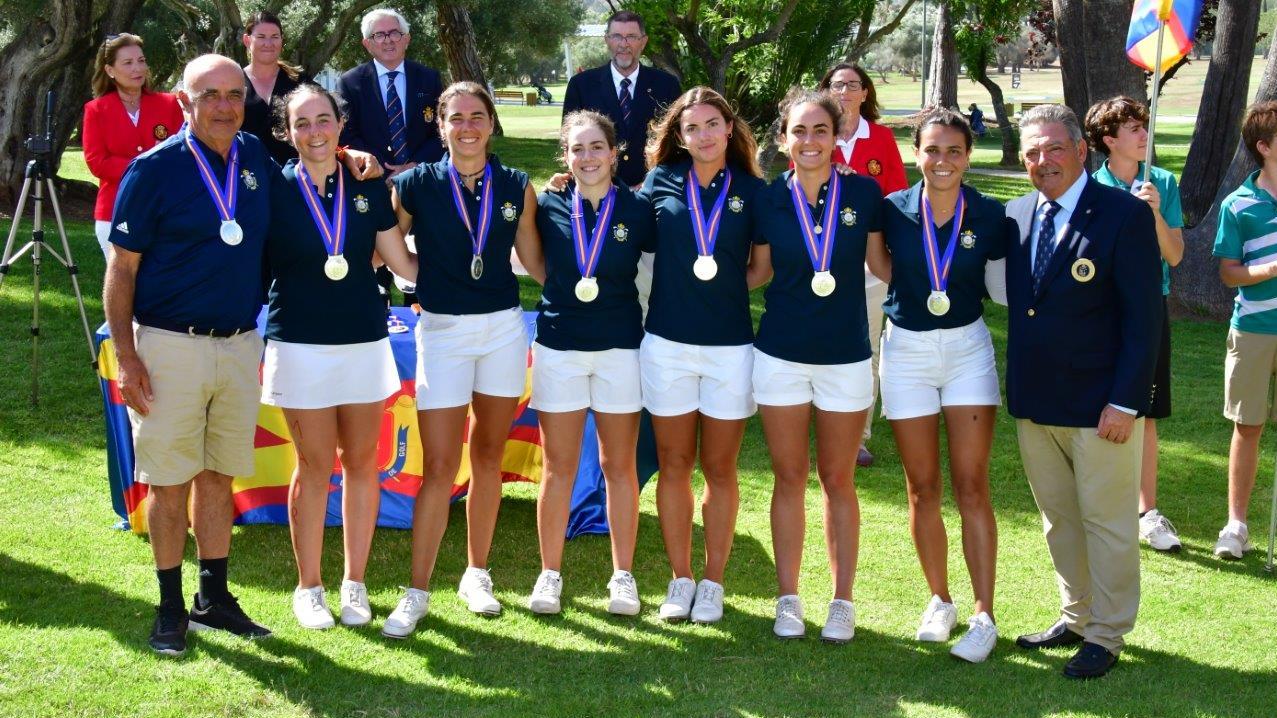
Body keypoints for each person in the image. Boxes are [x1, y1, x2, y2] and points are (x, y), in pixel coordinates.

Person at [102, 54, 277, 657]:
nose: (226, 106)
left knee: (219, 475)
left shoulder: (254, 156)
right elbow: (121, 270)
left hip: (236, 344)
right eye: (210, 96)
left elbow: (308, 184)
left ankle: (214, 597)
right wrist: (127, 358)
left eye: (234, 94)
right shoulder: (152, 171)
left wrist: (353, 160)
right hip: (168, 346)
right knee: (170, 480)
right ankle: (170, 606)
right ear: (183, 101)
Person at [1005, 104, 1161, 679]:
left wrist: (1126, 401)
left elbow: (1145, 319)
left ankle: (1108, 633)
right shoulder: (1017, 215)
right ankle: (1076, 615)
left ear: (1079, 150)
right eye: (1031, 152)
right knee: (1060, 520)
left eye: (1052, 148)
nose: (1042, 160)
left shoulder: (1122, 215)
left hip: (1102, 406)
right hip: (1036, 401)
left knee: (1108, 521)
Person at [382, 82, 543, 636]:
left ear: (491, 124)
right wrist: (416, 276)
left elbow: (534, 259)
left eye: (478, 116)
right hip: (443, 333)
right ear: (441, 124)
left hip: (502, 329)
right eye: (456, 117)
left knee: (490, 457)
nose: (467, 126)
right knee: (440, 467)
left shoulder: (517, 185)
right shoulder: (416, 184)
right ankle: (417, 590)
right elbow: (388, 241)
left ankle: (477, 573)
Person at [263, 85, 416, 630]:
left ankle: (355, 583)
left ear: (339, 124)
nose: (314, 132)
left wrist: (461, 279)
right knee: (313, 465)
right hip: (299, 342)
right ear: (287, 132)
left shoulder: (367, 184)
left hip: (363, 339)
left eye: (323, 120)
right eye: (301, 124)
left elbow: (398, 259)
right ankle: (309, 587)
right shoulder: (271, 187)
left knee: (360, 463)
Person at [868, 108, 1016, 663]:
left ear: (968, 156)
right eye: (932, 150)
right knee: (921, 487)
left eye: (954, 151)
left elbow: (1002, 276)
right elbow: (882, 266)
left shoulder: (990, 212)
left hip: (966, 349)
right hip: (905, 348)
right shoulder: (893, 209)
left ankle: (984, 613)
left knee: (972, 485)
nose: (943, 161)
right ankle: (940, 599)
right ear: (916, 153)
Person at [749, 89, 883, 643]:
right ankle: (788, 599)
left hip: (847, 356)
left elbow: (885, 265)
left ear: (836, 135)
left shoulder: (865, 192)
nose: (809, 141)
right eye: (799, 132)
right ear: (783, 140)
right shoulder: (765, 200)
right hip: (779, 355)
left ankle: (842, 601)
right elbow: (755, 271)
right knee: (789, 477)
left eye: (820, 131)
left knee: (838, 479)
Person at [638, 87, 767, 624]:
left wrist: (726, 294)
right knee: (673, 463)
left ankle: (712, 582)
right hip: (666, 343)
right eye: (693, 128)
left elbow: (762, 267)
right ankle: (680, 578)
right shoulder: (659, 183)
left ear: (730, 129)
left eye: (714, 124)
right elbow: (612, 220)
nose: (705, 135)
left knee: (719, 467)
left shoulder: (754, 191)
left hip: (729, 347)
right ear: (680, 136)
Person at [526, 111, 653, 616]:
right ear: (565, 156)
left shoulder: (639, 210)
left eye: (596, 147)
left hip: (621, 348)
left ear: (614, 151)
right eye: (577, 149)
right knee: (557, 468)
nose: (587, 157)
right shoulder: (550, 203)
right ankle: (549, 574)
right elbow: (537, 264)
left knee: (617, 466)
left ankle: (622, 576)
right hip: (559, 345)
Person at [1084, 96, 1186, 554]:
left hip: (1150, 309)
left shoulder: (1161, 181)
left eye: (1145, 126)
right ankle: (1106, 503)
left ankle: (1148, 512)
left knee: (1143, 412)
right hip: (1102, 310)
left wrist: (1154, 213)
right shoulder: (1091, 187)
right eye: (1134, 129)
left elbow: (1176, 255)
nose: (1145, 135)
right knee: (1101, 403)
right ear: (1109, 140)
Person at [816, 62, 908, 469]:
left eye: (853, 85)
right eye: (837, 85)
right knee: (818, 342)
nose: (845, 92)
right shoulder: (815, 134)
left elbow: (897, 197)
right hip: (819, 260)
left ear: (865, 93)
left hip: (870, 260)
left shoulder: (882, 138)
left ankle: (857, 436)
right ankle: (820, 426)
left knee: (866, 346)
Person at [1212, 100, 1277, 561]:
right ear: (1264, 147)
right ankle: (1236, 526)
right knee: (1248, 426)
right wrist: (1270, 268)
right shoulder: (1239, 204)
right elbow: (1229, 273)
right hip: (1254, 328)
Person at [82, 33, 183, 256]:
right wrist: (146, 166)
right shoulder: (96, 110)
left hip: (165, 209)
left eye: (141, 60)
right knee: (123, 284)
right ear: (110, 71)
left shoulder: (168, 104)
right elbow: (97, 163)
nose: (137, 68)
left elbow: (183, 153)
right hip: (115, 210)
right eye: (128, 63)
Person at [562, 10, 681, 188]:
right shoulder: (581, 85)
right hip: (598, 191)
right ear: (607, 40)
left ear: (643, 41)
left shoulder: (667, 85)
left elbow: (676, 143)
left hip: (652, 191)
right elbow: (570, 141)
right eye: (617, 36)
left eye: (632, 36)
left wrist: (650, 183)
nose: (624, 44)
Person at [338, 8, 444, 175]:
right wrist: (378, 166)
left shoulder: (429, 79)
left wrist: (414, 166)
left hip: (422, 176)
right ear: (367, 44)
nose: (388, 41)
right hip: (372, 178)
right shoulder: (350, 83)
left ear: (407, 39)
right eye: (379, 35)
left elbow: (442, 131)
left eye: (395, 33)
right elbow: (347, 135)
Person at [240, 11, 313, 166]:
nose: (268, 43)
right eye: (261, 37)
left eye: (275, 37)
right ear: (247, 40)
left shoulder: (300, 82)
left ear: (281, 41)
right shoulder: (234, 83)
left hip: (295, 176)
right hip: (246, 176)